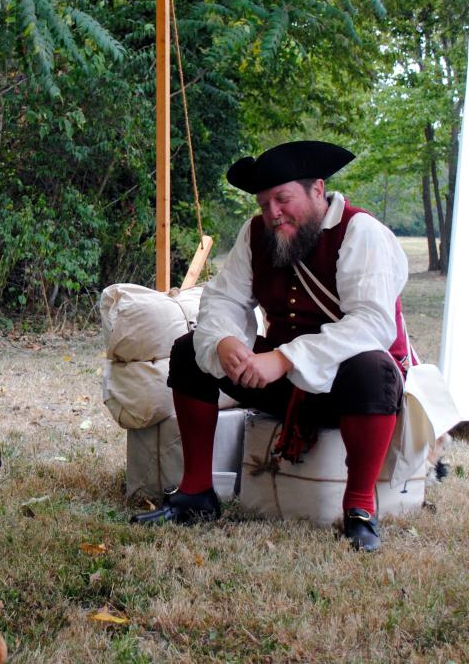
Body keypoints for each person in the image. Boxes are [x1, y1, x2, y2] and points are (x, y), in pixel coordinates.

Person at [132, 141, 411, 551]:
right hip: (285, 381)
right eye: (264, 204)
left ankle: (360, 510)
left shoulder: (361, 232)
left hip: (351, 391)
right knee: (191, 350)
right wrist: (227, 341)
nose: (272, 213)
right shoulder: (256, 233)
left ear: (318, 190)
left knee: (372, 368)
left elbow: (371, 324)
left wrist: (283, 358)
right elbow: (224, 298)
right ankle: (196, 494)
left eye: (283, 199)